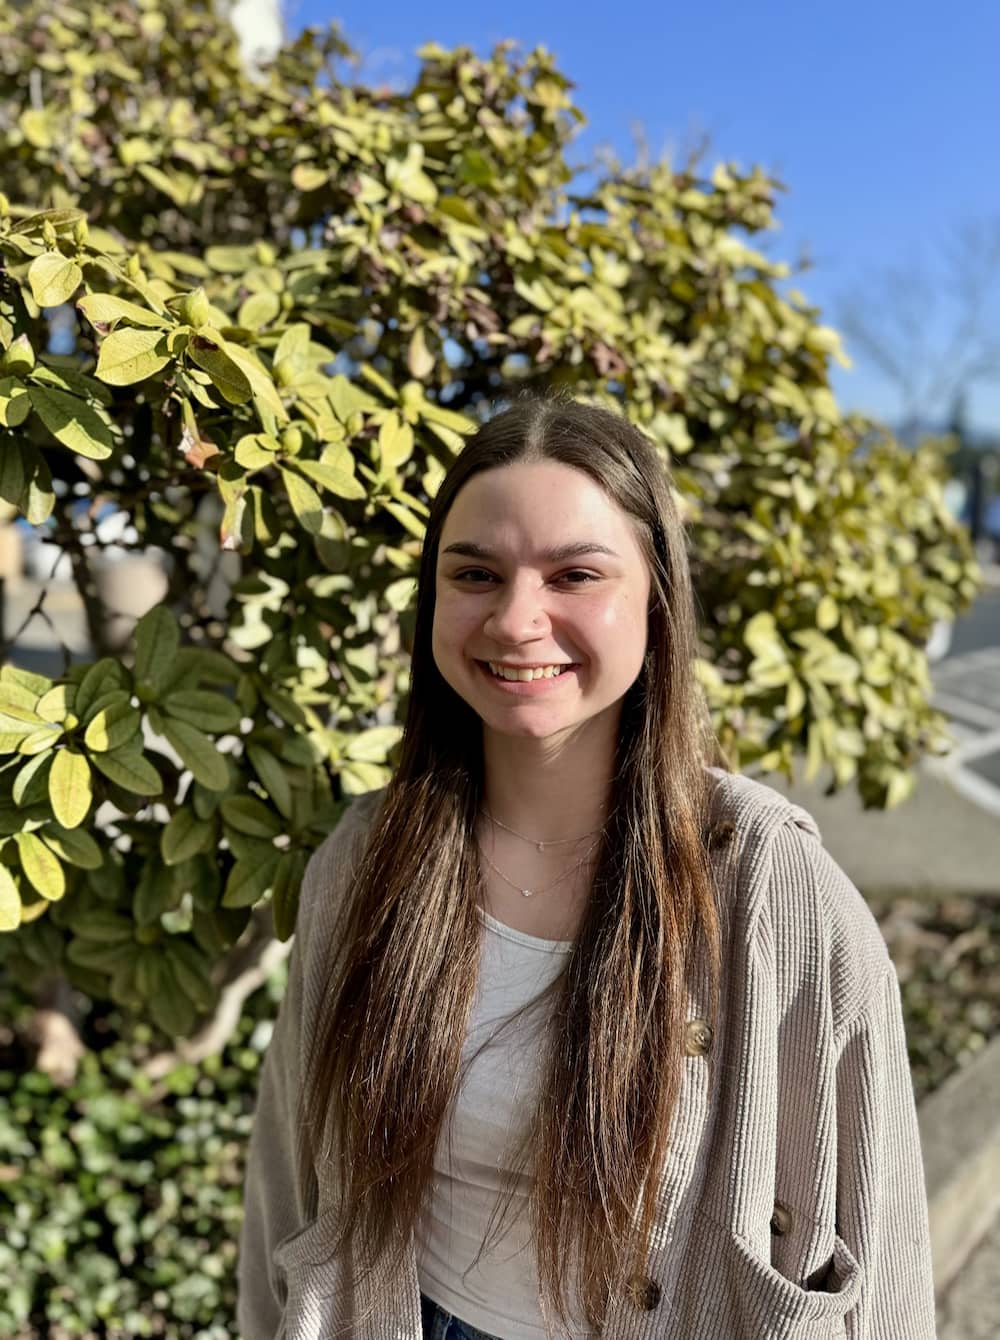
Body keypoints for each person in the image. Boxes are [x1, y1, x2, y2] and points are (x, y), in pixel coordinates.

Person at [237, 394, 936, 1339]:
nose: (518, 621)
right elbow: (287, 1187)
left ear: (656, 599)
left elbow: (880, 1245)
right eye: (476, 573)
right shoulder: (366, 860)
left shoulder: (773, 889)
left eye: (574, 574)